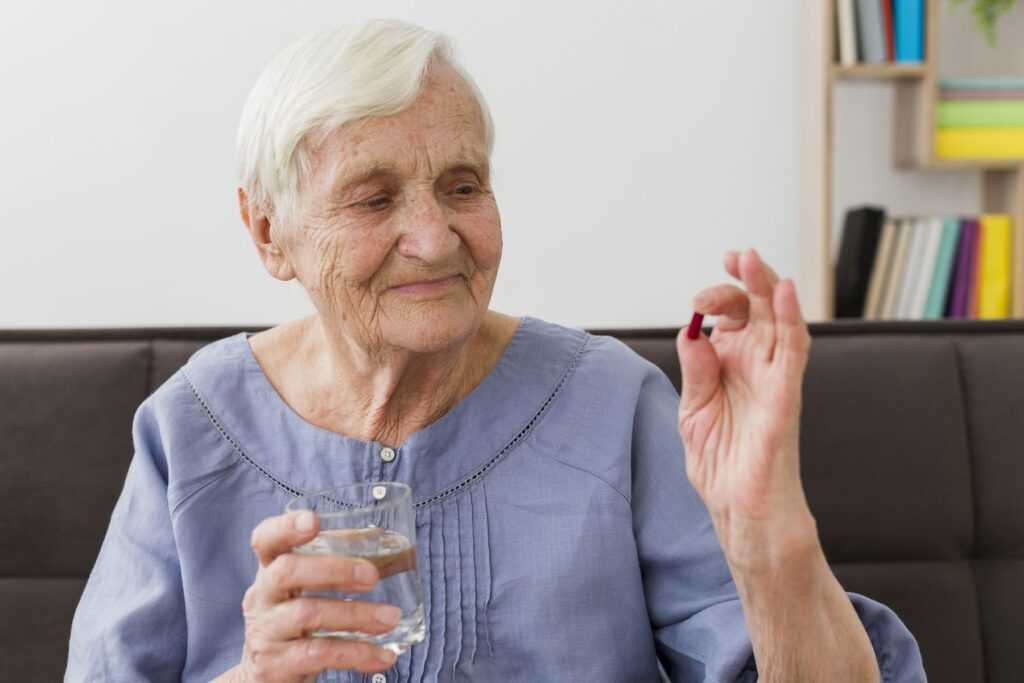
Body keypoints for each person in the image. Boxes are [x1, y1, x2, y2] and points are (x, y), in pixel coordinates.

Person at [66, 18, 925, 683]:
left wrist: (770, 531)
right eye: (373, 200)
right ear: (269, 233)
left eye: (462, 185)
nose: (436, 239)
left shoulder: (613, 406)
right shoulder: (191, 426)